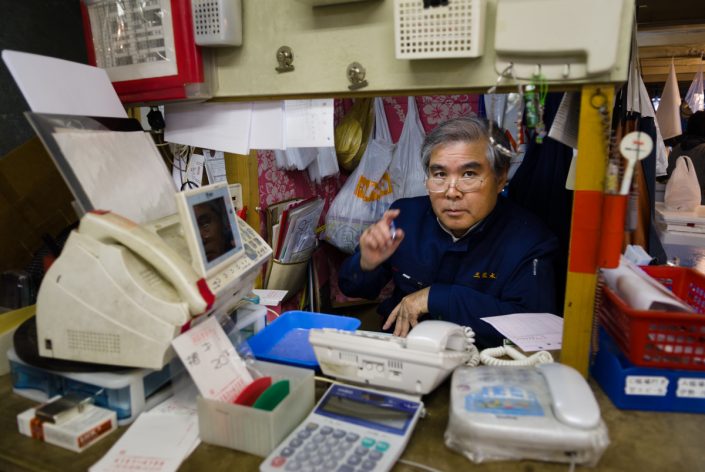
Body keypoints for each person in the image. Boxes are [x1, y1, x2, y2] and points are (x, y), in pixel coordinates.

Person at [338, 116, 558, 348]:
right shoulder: (405, 217)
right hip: (405, 351)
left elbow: (536, 328)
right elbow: (354, 288)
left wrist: (437, 297)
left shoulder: (530, 239)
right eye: (440, 175)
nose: (452, 192)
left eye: (469, 174)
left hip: (483, 359)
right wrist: (365, 264)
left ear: (500, 178)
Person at [666, 110, 705, 204]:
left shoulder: (676, 149)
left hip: (675, 204)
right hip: (700, 206)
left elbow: (669, 173)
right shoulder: (703, 150)